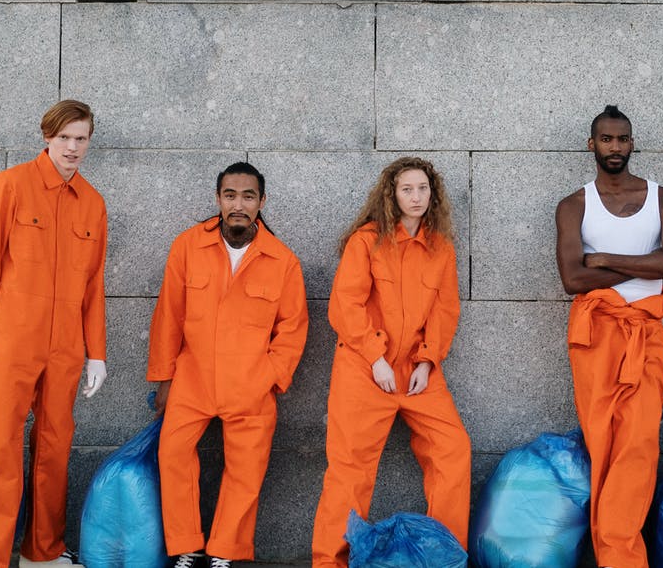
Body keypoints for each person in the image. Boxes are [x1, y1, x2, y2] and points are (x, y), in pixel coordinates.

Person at [0, 99, 108, 567]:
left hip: (65, 346)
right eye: (64, 137)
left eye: (81, 138)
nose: (72, 147)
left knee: (55, 445)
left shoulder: (93, 203)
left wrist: (95, 352)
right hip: (12, 340)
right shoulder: (10, 186)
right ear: (47, 137)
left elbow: (94, 283)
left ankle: (43, 553)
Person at [311, 157, 472, 568]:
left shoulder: (441, 247)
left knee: (452, 450)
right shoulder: (367, 240)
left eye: (423, 189)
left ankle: (444, 556)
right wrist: (374, 357)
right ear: (392, 195)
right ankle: (330, 562)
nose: (416, 197)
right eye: (407, 189)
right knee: (349, 470)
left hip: (417, 370)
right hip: (365, 369)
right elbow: (345, 303)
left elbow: (445, 310)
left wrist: (429, 360)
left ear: (432, 194)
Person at [148, 162, 309, 568]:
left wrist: (271, 379)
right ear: (218, 199)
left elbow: (293, 330)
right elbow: (169, 315)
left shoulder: (283, 261)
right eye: (231, 195)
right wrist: (164, 379)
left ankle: (223, 551)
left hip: (251, 385)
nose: (239, 204)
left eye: (248, 196)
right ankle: (186, 545)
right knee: (172, 454)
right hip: (192, 378)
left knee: (246, 470)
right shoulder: (187, 246)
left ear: (262, 202)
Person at [554, 105, 663, 568]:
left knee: (638, 444)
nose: (615, 147)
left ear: (633, 143)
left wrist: (604, 259)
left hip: (646, 335)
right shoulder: (574, 205)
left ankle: (620, 557)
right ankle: (614, 553)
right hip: (596, 336)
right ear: (591, 145)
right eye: (606, 140)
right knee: (602, 444)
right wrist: (639, 266)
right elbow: (572, 279)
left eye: (623, 139)